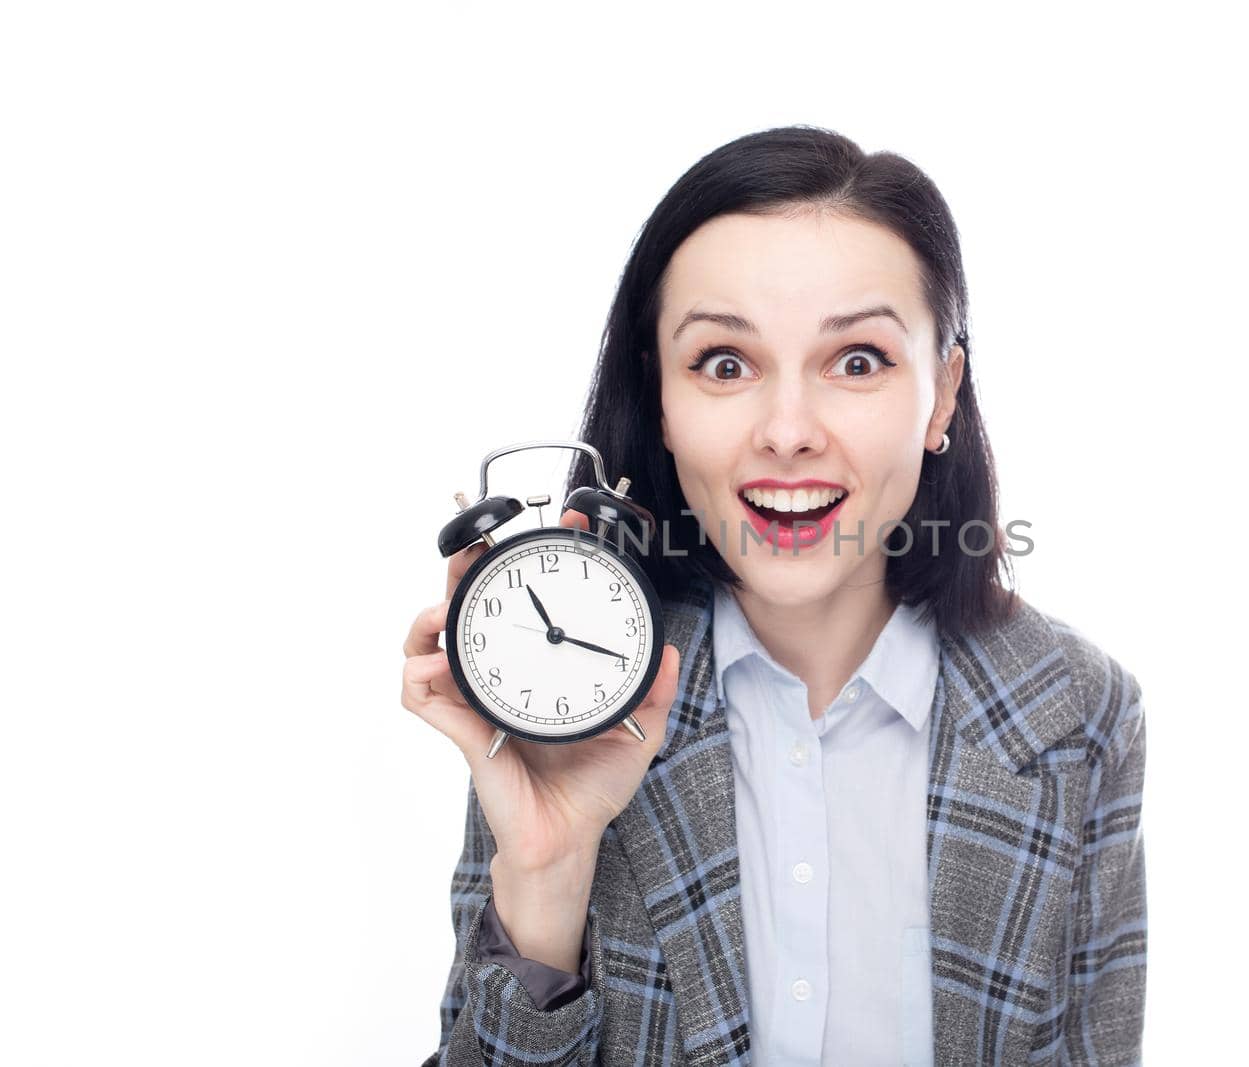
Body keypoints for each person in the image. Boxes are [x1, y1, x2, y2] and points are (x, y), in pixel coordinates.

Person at [401, 125, 1148, 1066]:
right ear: (661, 400)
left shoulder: (1077, 710)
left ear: (943, 392)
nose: (788, 431)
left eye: (858, 360)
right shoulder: (566, 682)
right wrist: (546, 878)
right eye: (724, 363)